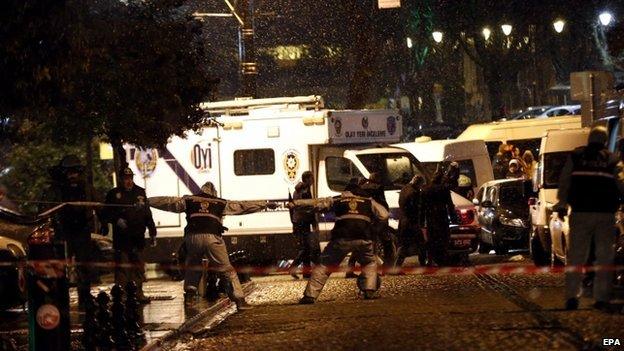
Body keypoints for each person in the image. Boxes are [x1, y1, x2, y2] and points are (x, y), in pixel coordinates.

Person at [149, 182, 277, 310]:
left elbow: (168, 202)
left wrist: (148, 201)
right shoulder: (220, 202)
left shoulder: (189, 200)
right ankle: (239, 300)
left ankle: (190, 295)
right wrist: (264, 204)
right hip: (212, 237)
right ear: (213, 193)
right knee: (227, 270)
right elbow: (241, 206)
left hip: (192, 237)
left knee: (193, 265)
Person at [555, 126, 624, 312]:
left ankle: (571, 297)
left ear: (589, 139)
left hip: (580, 213)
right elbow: (620, 184)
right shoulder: (610, 159)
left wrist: (561, 203)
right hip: (605, 214)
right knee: (604, 257)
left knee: (576, 256)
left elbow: (565, 181)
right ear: (603, 140)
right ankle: (601, 298)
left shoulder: (577, 156)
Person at [290, 184, 389, 304]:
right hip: (363, 238)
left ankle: (310, 296)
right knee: (369, 263)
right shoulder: (368, 201)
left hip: (342, 238)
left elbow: (317, 203)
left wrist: (296, 204)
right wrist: (373, 227)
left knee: (325, 265)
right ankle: (369, 290)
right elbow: (384, 215)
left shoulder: (339, 199)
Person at [44, 155, 95, 308]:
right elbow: (46, 208)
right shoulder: (57, 189)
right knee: (60, 268)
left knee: (84, 266)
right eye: (69, 172)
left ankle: (85, 298)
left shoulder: (86, 187)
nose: (72, 176)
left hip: (82, 232)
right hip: (63, 232)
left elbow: (97, 203)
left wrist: (104, 220)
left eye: (75, 172)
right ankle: (60, 298)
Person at [102, 167, 157, 303]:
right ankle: (122, 295)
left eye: (130, 178)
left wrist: (152, 231)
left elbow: (147, 213)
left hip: (137, 236)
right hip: (122, 238)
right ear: (121, 179)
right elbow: (106, 213)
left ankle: (138, 293)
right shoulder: (113, 194)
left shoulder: (140, 192)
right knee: (123, 267)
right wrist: (116, 220)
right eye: (126, 178)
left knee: (138, 267)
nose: (128, 181)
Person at [289, 171, 320, 279]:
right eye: (311, 178)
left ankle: (306, 273)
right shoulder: (305, 190)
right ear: (306, 179)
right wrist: (314, 222)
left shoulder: (298, 190)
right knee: (306, 248)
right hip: (303, 221)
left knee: (306, 248)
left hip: (299, 221)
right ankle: (293, 268)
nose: (313, 181)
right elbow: (308, 208)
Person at [360, 172, 394, 272]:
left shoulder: (363, 187)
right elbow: (382, 203)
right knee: (387, 242)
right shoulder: (378, 188)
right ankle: (386, 267)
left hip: (367, 219)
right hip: (378, 219)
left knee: (366, 243)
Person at [422, 169, 457, 266]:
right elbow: (450, 205)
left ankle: (432, 259)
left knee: (433, 239)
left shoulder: (426, 189)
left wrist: (421, 221)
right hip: (441, 217)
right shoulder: (444, 190)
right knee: (443, 239)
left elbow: (422, 207)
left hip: (430, 218)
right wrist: (454, 218)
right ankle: (442, 259)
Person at [396, 175, 425, 269]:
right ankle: (423, 263)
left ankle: (397, 265)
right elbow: (416, 208)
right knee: (421, 243)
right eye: (421, 185)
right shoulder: (414, 193)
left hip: (403, 221)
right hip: (412, 222)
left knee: (404, 244)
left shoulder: (404, 189)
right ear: (418, 183)